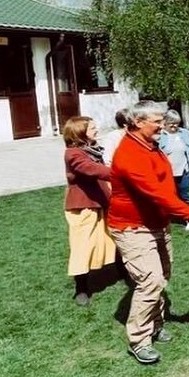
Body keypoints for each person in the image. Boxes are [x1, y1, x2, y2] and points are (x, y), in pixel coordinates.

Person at [108, 101, 189, 365]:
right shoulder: (129, 154)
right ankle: (139, 340)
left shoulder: (151, 146)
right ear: (138, 122)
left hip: (157, 223)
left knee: (162, 276)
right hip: (132, 228)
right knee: (150, 280)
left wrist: (185, 213)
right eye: (157, 121)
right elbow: (157, 193)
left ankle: (155, 323)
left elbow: (166, 188)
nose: (163, 126)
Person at [63, 115, 115, 306]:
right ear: (80, 131)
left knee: (114, 238)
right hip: (83, 206)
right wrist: (123, 172)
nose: (97, 130)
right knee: (82, 247)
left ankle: (123, 271)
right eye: (92, 128)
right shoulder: (73, 153)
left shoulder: (92, 150)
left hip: (102, 202)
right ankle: (81, 288)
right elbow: (91, 169)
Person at [159, 109, 189, 203]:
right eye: (171, 123)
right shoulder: (160, 135)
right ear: (165, 122)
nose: (174, 125)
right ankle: (175, 216)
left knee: (184, 195)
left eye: (176, 123)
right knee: (170, 196)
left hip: (184, 171)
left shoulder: (185, 133)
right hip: (167, 173)